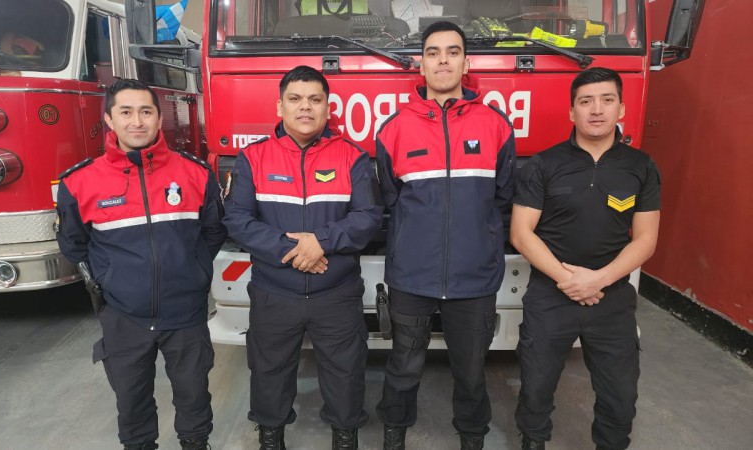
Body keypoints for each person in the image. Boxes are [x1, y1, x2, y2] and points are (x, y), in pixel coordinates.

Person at [56, 79, 227, 450]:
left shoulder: (195, 174)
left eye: (146, 111)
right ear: (109, 120)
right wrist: (111, 279)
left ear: (158, 117)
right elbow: (74, 244)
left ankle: (196, 444)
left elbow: (212, 233)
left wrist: (193, 269)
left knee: (194, 396)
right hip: (124, 316)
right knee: (131, 404)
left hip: (186, 313)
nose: (137, 121)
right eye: (126, 112)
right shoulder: (79, 182)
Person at [222, 65, 383, 450]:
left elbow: (369, 219)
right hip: (275, 292)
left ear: (328, 108)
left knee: (346, 374)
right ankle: (271, 436)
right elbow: (237, 220)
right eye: (295, 99)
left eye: (315, 100)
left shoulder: (353, 158)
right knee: (268, 372)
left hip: (337, 292)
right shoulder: (252, 158)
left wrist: (321, 242)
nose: (305, 108)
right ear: (280, 107)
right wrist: (294, 251)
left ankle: (345, 436)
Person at [375, 21, 516, 450]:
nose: (443, 60)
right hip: (412, 277)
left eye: (452, 52)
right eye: (433, 52)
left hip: (474, 277)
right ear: (420, 65)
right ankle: (394, 433)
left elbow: (504, 198)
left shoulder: (496, 125)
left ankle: (472, 437)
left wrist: (485, 245)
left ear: (466, 63)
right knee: (404, 364)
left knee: (471, 369)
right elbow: (388, 199)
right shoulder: (394, 128)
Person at [511, 67, 661, 450]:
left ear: (621, 108)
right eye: (586, 101)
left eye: (607, 100)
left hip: (611, 300)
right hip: (550, 295)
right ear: (571, 112)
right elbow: (521, 233)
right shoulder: (542, 165)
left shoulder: (641, 167)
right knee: (536, 387)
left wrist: (599, 280)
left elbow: (645, 240)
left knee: (620, 396)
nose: (597, 110)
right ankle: (533, 441)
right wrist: (570, 281)